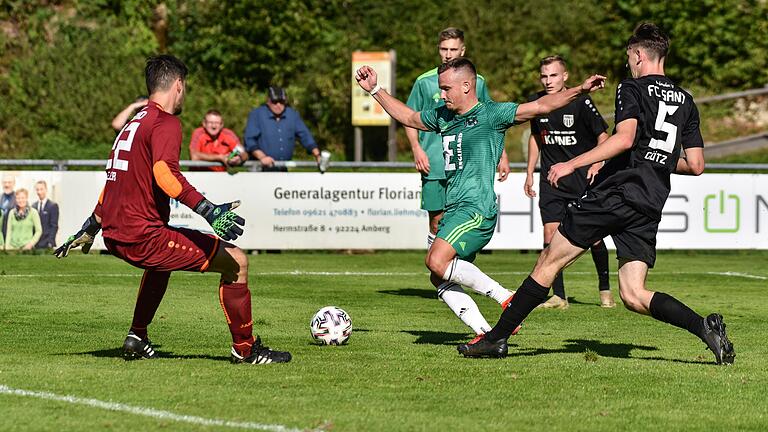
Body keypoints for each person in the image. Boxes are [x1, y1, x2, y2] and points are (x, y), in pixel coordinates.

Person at [458, 23, 735, 366]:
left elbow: (623, 139)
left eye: (629, 58)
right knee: (633, 294)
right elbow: (695, 165)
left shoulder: (631, 88)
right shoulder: (687, 102)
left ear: (638, 54)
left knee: (549, 261)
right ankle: (704, 327)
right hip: (649, 201)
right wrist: (657, 157)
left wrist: (571, 164)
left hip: (616, 193)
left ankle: (496, 339)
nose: (629, 64)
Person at [55, 54, 291, 365]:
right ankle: (246, 350)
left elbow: (114, 181)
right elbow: (164, 174)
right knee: (237, 261)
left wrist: (91, 225)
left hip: (116, 235)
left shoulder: (132, 124)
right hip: (143, 235)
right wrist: (209, 211)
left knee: (161, 264)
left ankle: (137, 337)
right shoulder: (165, 122)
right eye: (186, 87)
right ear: (177, 85)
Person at [355, 58, 605, 339]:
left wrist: (581, 90)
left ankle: (505, 297)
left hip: (476, 210)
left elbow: (541, 106)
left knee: (435, 261)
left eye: (447, 88)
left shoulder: (491, 115)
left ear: (466, 85)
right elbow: (410, 117)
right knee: (439, 277)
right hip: (455, 210)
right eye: (440, 89)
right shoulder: (443, 116)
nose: (442, 94)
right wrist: (375, 90)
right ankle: (487, 334)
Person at [405, 27, 510, 249]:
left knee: (464, 220)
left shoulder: (475, 81)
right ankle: (440, 274)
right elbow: (410, 116)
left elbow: (493, 117)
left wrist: (502, 153)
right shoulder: (424, 81)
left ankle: (451, 270)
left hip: (468, 162)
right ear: (438, 49)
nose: (448, 54)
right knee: (436, 221)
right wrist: (416, 148)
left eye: (453, 49)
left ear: (463, 49)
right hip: (434, 161)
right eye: (444, 49)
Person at [525, 55, 615, 309]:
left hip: (582, 178)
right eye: (544, 76)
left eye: (553, 75)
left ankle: (605, 290)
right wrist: (530, 171)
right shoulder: (537, 103)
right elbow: (535, 137)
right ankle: (559, 296)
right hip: (551, 180)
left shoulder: (581, 102)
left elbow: (603, 135)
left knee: (594, 238)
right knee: (550, 235)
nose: (548, 81)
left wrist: (597, 164)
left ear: (565, 76)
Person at [243, 86, 321, 172]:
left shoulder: (292, 115)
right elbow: (250, 140)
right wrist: (262, 157)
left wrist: (317, 155)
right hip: (260, 168)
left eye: (282, 102)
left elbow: (305, 136)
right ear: (268, 101)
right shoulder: (257, 114)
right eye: (275, 102)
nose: (278, 105)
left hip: (282, 169)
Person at [31, 180, 59, 249]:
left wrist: (50, 242)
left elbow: (54, 226)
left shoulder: (53, 206)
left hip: (47, 243)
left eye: (41, 189)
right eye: (37, 190)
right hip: (35, 243)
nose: (39, 192)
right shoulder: (33, 206)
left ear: (46, 189)